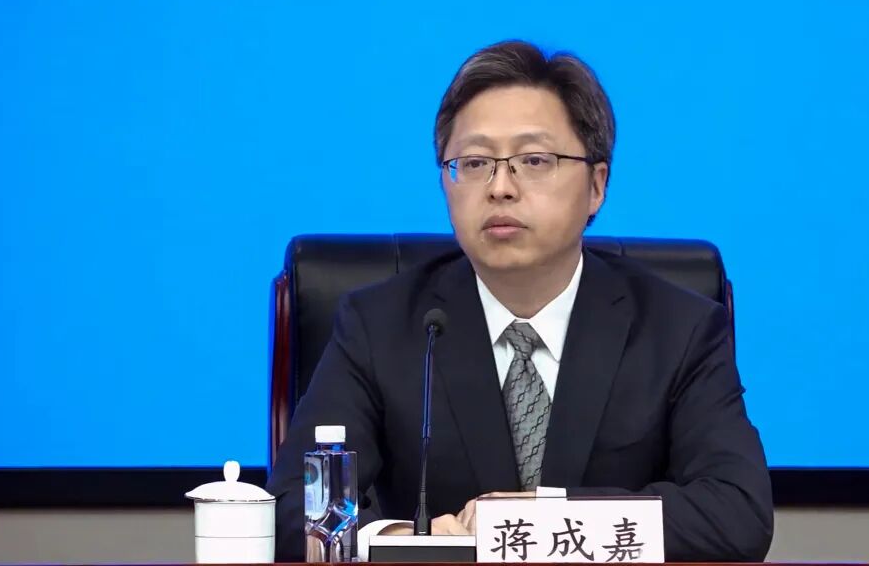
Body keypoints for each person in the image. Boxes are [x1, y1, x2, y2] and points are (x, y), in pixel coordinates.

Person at [267, 40, 774, 562]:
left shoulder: (679, 328)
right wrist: (399, 542)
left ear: (597, 186)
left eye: (534, 160)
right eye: (474, 162)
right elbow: (289, 510)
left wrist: (541, 520)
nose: (500, 187)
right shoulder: (379, 325)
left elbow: (737, 514)